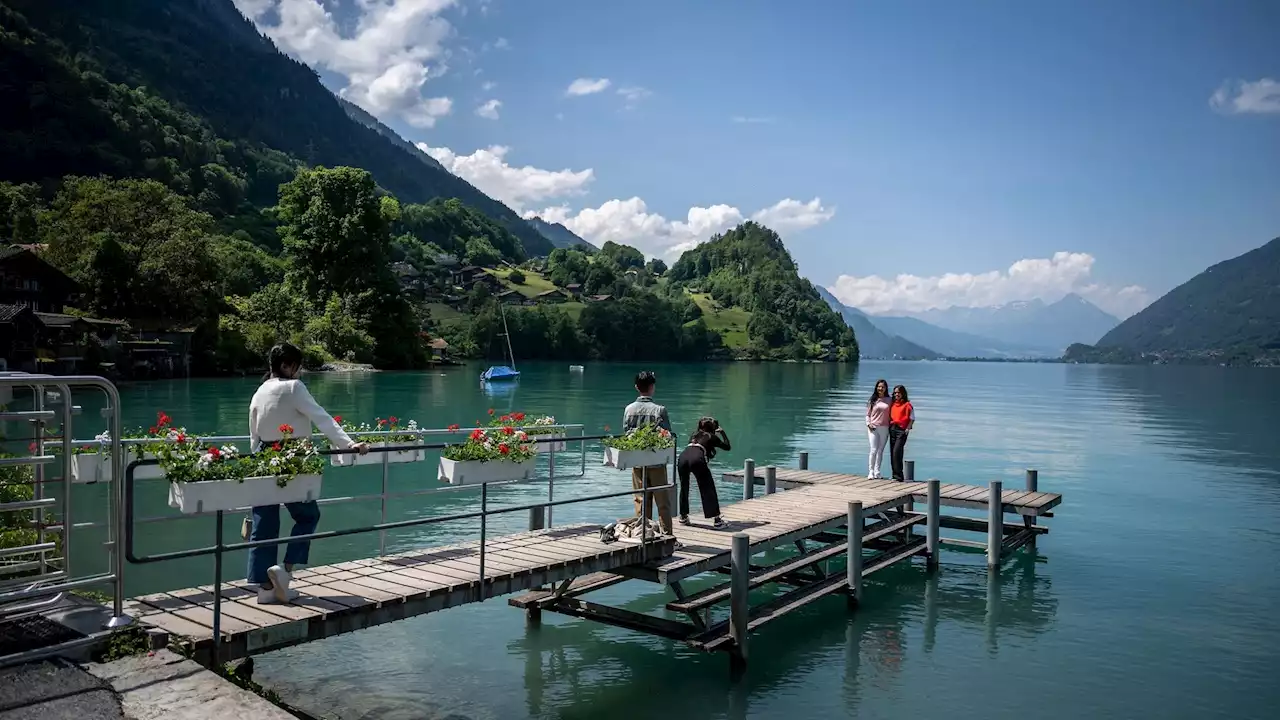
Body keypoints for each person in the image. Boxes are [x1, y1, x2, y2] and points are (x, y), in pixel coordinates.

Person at [247, 342, 368, 604]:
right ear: (287, 366)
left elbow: (254, 435)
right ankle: (286, 571)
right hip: (293, 458)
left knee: (263, 523)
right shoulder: (294, 388)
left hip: (262, 457)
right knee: (307, 514)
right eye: (297, 366)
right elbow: (321, 417)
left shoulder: (259, 391)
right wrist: (348, 444)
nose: (299, 372)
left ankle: (265, 588)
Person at [622, 370, 673, 534]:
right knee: (662, 500)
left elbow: (626, 433)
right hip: (656, 461)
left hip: (637, 461)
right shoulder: (660, 410)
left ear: (637, 387)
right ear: (652, 387)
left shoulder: (629, 409)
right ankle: (666, 533)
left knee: (641, 500)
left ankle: (644, 533)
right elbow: (667, 435)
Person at [678, 416, 731, 528]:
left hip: (683, 457)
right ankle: (717, 521)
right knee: (708, 488)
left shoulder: (694, 434)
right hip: (697, 458)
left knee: (684, 487)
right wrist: (723, 433)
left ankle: (683, 516)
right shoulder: (711, 436)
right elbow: (727, 447)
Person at [865, 378, 891, 479]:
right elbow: (867, 415)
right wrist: (868, 424)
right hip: (873, 427)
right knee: (873, 450)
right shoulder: (872, 400)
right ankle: (870, 472)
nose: (881, 388)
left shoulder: (890, 400)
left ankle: (877, 471)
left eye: (883, 387)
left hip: (885, 427)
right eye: (879, 387)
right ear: (876, 388)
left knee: (880, 450)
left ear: (886, 388)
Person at [888, 385, 915, 481]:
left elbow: (912, 418)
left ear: (903, 393)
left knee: (897, 452)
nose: (896, 394)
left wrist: (907, 429)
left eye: (898, 392)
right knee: (892, 452)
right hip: (892, 429)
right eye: (895, 393)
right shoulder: (893, 404)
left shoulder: (907, 405)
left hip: (901, 430)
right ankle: (895, 475)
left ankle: (899, 476)